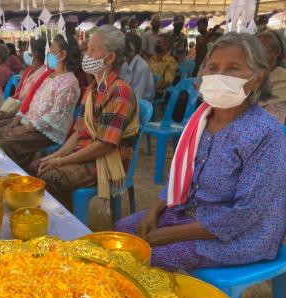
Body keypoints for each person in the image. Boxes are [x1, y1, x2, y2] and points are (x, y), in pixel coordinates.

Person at [114, 32, 286, 271]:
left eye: (233, 68)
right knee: (122, 233)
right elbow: (177, 179)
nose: (219, 76)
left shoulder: (265, 133)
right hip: (191, 213)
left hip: (241, 235)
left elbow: (245, 214)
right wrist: (153, 213)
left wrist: (168, 235)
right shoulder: (201, 119)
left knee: (149, 256)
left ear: (258, 77)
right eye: (213, 67)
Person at [29, 25, 139, 209]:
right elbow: (79, 132)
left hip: (104, 161)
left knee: (49, 177)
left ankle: (68, 226)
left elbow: (103, 145)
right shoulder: (93, 88)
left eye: (93, 50)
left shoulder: (120, 92)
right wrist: (55, 156)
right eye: (87, 48)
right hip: (85, 153)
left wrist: (60, 161)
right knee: (36, 166)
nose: (86, 54)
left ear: (110, 58)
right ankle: (61, 216)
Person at [0, 34, 81, 169]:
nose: (48, 53)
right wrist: (19, 119)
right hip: (31, 123)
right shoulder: (49, 75)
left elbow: (54, 116)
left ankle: (12, 177)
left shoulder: (69, 82)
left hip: (47, 132)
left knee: (3, 143)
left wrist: (26, 127)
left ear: (62, 55)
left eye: (51, 50)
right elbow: (33, 101)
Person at [0, 38, 50, 123]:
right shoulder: (28, 71)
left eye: (27, 49)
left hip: (26, 113)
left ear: (35, 53)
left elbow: (33, 100)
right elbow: (18, 92)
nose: (24, 52)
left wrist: (13, 112)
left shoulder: (44, 73)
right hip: (16, 109)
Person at [258, 30, 286, 123]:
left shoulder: (283, 80)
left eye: (261, 48)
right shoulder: (253, 76)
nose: (256, 54)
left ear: (276, 52)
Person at [120, 33, 155, 101]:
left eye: (128, 49)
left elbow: (137, 96)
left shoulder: (142, 67)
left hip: (141, 103)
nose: (125, 50)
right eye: (124, 47)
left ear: (136, 49)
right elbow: (121, 84)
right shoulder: (125, 63)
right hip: (129, 96)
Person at [150, 34, 177, 98]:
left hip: (159, 93)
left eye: (159, 42)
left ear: (166, 45)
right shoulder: (154, 57)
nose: (156, 44)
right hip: (149, 89)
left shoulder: (171, 62)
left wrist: (152, 88)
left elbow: (167, 82)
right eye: (156, 41)